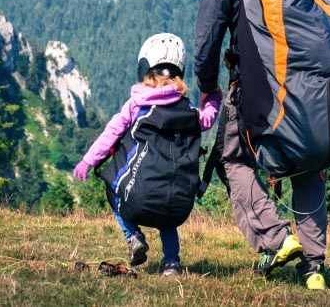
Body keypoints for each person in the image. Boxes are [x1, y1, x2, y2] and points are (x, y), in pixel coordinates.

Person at [190, 0, 330, 290]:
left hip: (254, 89)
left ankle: (275, 240)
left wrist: (206, 85)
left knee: (233, 160)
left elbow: (206, 40)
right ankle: (314, 269)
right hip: (313, 83)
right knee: (309, 163)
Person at [73, 32, 222, 276]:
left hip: (138, 199)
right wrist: (214, 97)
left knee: (113, 190)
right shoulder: (190, 112)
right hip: (179, 203)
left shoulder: (136, 106)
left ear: (145, 69)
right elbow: (208, 117)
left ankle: (133, 236)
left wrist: (88, 161)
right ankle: (171, 262)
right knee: (167, 220)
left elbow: (111, 133)